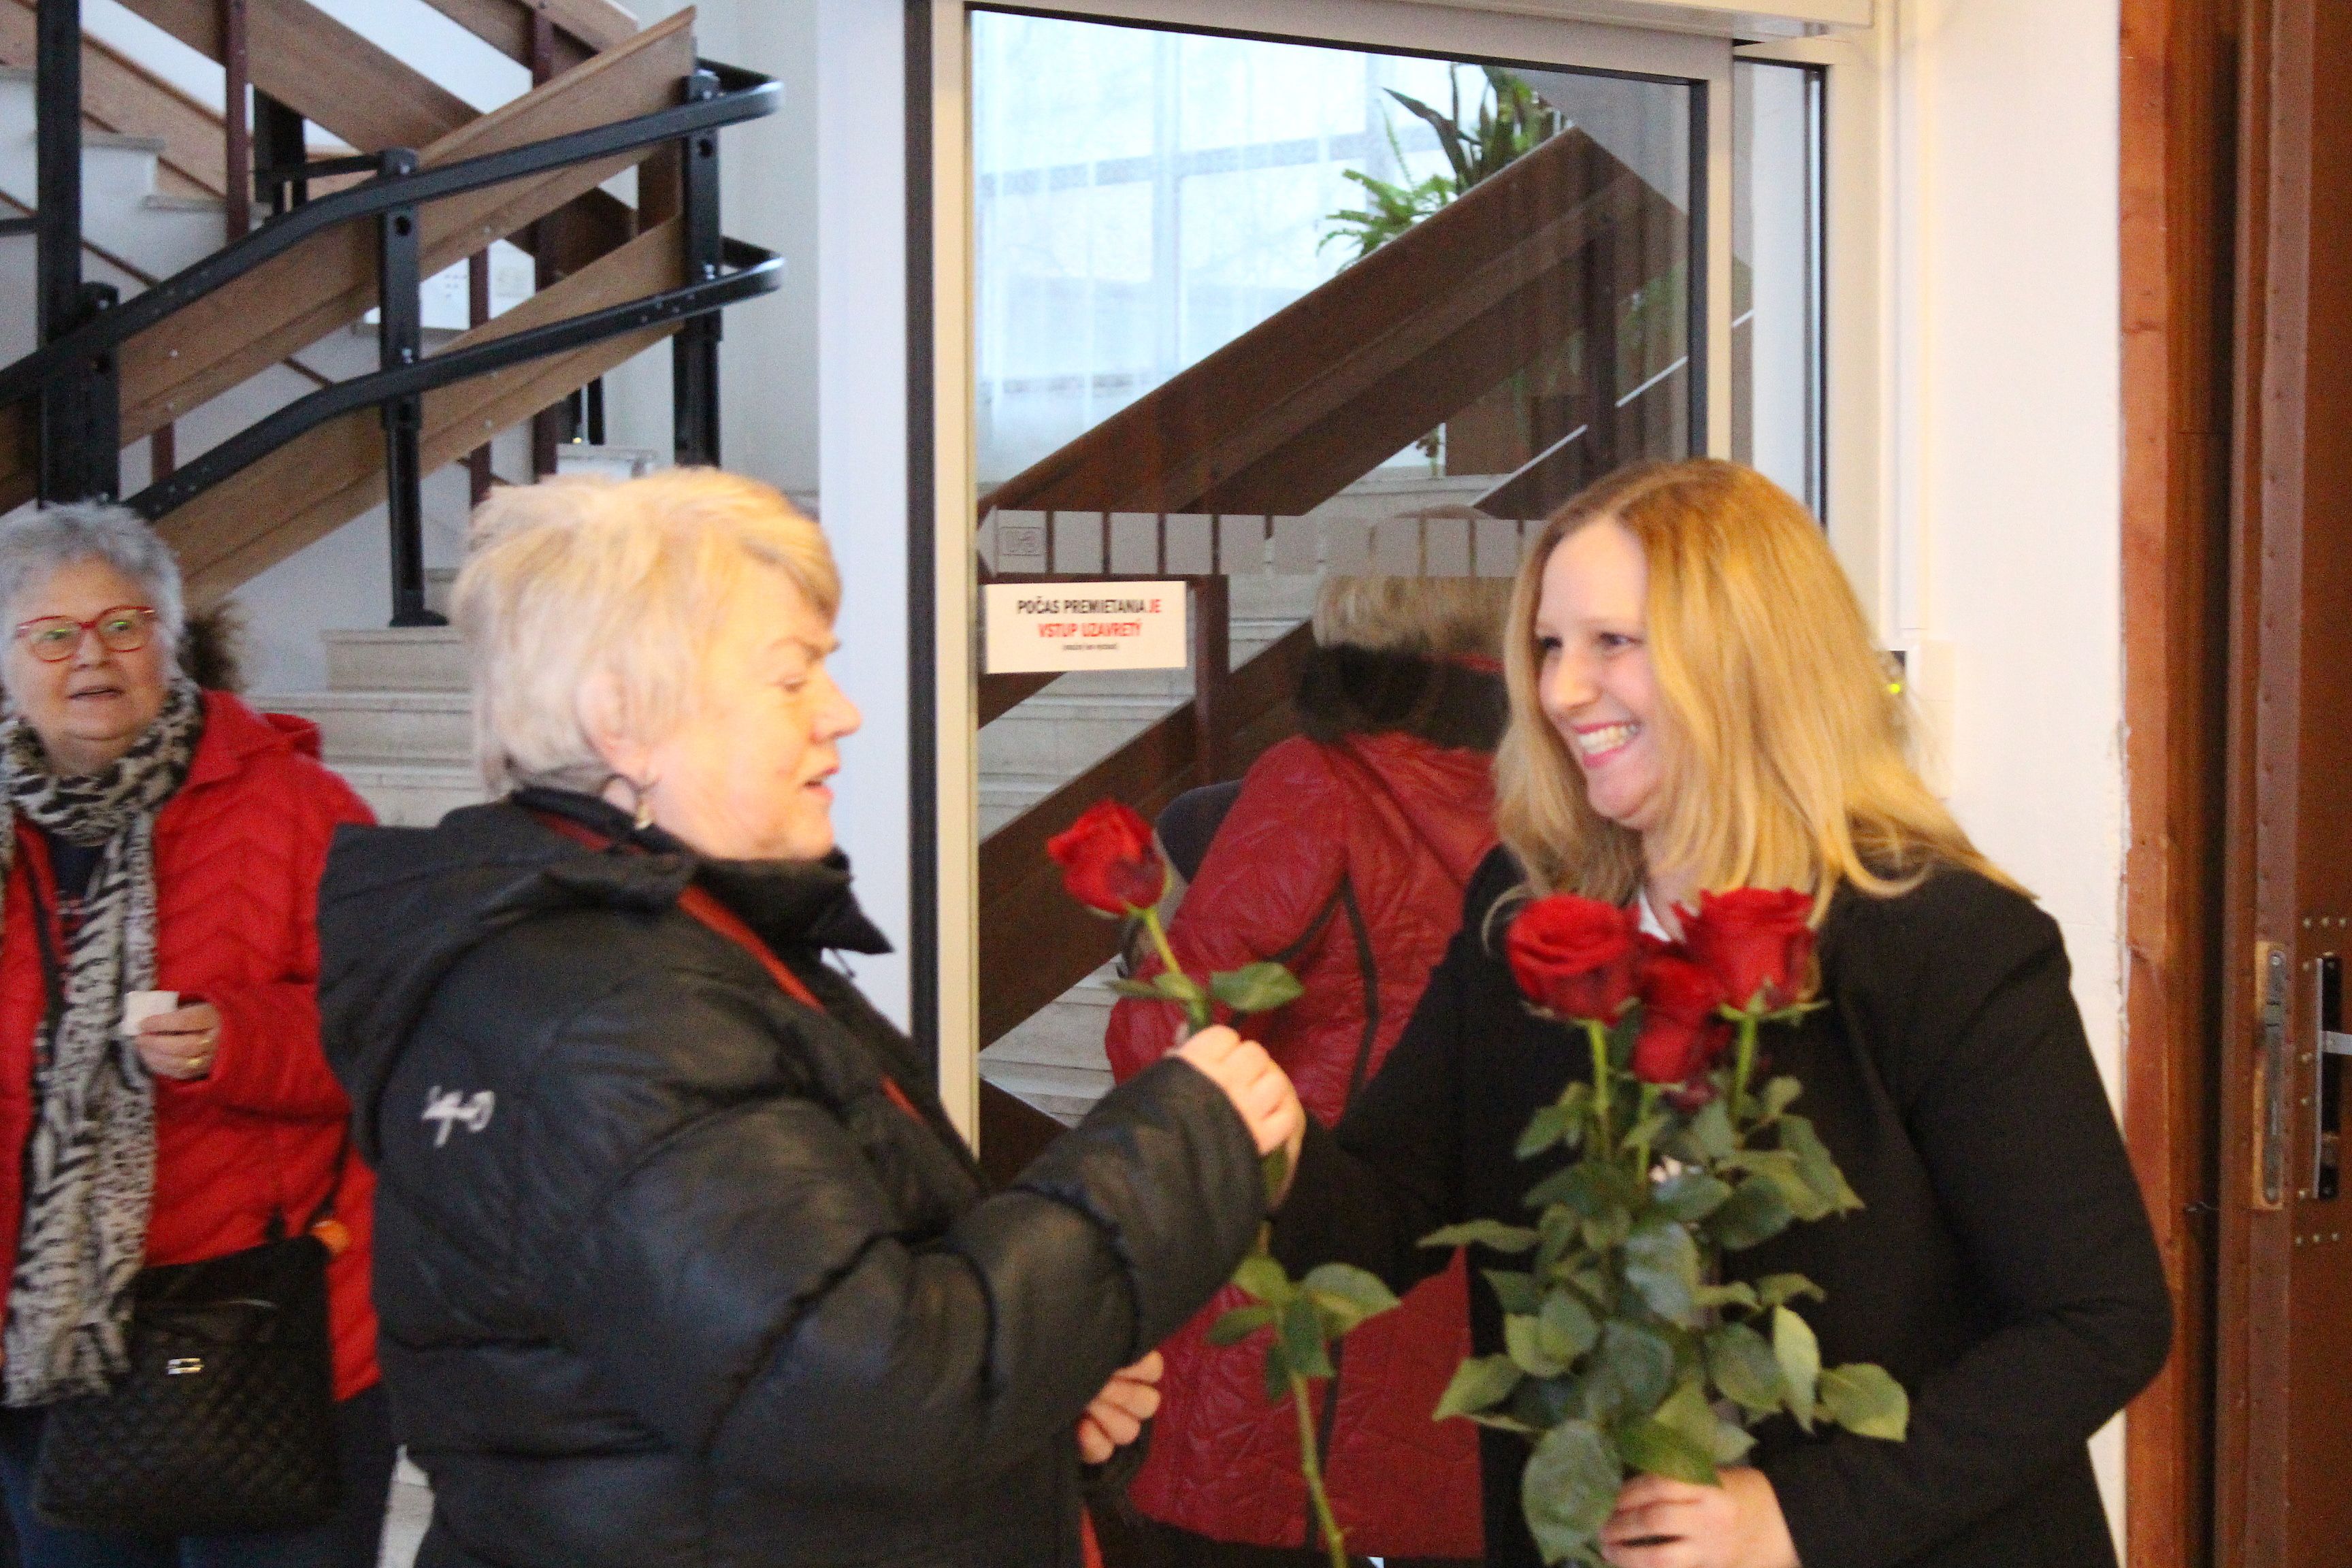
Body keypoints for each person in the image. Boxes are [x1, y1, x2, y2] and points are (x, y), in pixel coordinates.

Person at [315, 469, 1307, 1568]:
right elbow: (863, 1389)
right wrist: (1181, 1148)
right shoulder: (615, 1015)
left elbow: (771, 1366)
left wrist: (1041, 1389)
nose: (841, 713)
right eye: (792, 677)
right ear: (622, 720)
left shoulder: (646, 956)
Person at [1267, 459, 2173, 1568]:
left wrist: (1797, 1520)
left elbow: (2100, 1320)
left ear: (1747, 662)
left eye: (1612, 642)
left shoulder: (1943, 942)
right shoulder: (1529, 919)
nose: (1560, 691)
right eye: (1549, 646)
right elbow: (1382, 1218)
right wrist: (1258, 1140)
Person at [0, 504, 389, 1568]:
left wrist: (238, 1040)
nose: (93, 657)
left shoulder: (300, 808)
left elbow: (389, 1030)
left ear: (170, 640)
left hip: (265, 1331)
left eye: (124, 626)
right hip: (44, 1347)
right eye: (53, 635)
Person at [1105, 576, 1513, 1567]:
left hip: (1318, 1271)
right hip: (1491, 1294)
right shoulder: (1560, 786)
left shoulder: (1319, 781)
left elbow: (1166, 1034)